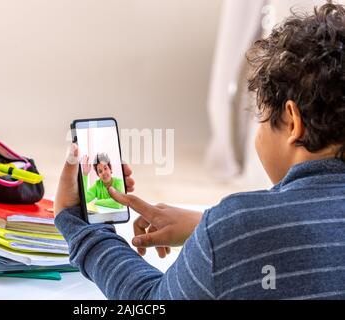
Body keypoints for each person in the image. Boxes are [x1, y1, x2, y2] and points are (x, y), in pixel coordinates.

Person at [54, 1, 345, 300]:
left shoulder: (238, 222)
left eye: (260, 115)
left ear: (293, 121)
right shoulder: (235, 227)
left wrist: (78, 224)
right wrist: (206, 227)